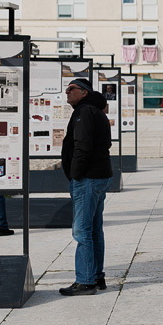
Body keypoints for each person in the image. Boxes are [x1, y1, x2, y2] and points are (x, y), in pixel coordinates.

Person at [59, 78, 113, 296]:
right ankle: (96, 276)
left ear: (83, 92)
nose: (67, 93)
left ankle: (85, 281)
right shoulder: (93, 110)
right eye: (66, 89)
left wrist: (75, 175)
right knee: (94, 230)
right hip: (98, 176)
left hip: (88, 178)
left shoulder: (84, 112)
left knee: (82, 230)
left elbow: (82, 146)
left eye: (71, 89)